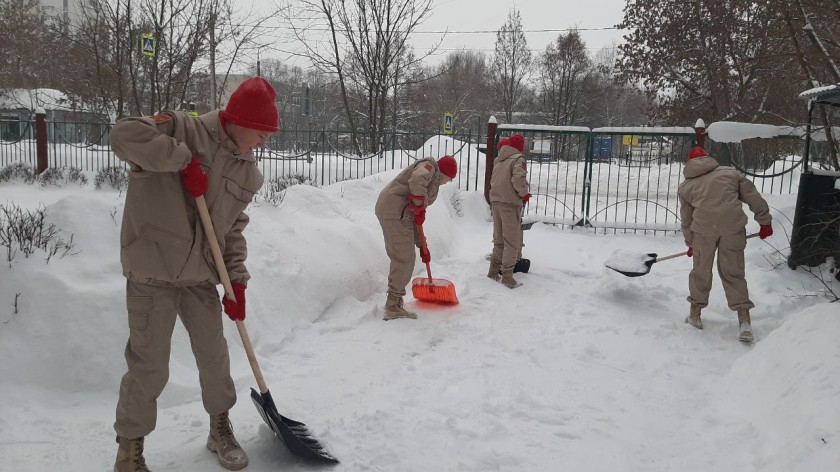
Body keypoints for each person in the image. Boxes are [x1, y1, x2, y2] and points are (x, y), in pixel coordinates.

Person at [109, 76, 279, 471]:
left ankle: (219, 428)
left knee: (215, 359)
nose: (262, 143)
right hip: (152, 272)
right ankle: (129, 450)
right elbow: (122, 134)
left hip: (202, 276)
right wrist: (182, 160)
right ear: (236, 120)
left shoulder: (248, 172)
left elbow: (232, 230)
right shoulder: (180, 128)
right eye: (260, 133)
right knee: (149, 366)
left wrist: (236, 280)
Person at [678, 146, 773, 343]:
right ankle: (744, 321)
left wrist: (691, 242)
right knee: (734, 272)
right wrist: (764, 222)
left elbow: (686, 219)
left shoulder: (686, 187)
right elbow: (753, 197)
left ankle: (695, 315)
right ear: (708, 158)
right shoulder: (730, 174)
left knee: (701, 271)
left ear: (689, 163)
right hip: (733, 229)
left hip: (703, 232)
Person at [375, 155, 458, 320]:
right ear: (446, 173)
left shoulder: (432, 181)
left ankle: (396, 301)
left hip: (400, 212)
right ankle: (392, 305)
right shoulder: (429, 167)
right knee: (404, 257)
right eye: (450, 178)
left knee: (406, 256)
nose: (448, 182)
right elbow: (417, 179)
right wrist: (419, 204)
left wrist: (422, 244)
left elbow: (414, 214)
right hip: (394, 210)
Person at [488, 133, 530, 288]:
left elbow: (494, 180)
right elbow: (518, 180)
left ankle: (493, 272)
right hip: (510, 204)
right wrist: (524, 194)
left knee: (498, 240)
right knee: (511, 241)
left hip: (496, 203)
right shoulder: (519, 159)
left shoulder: (499, 159)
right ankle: (507, 276)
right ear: (520, 146)